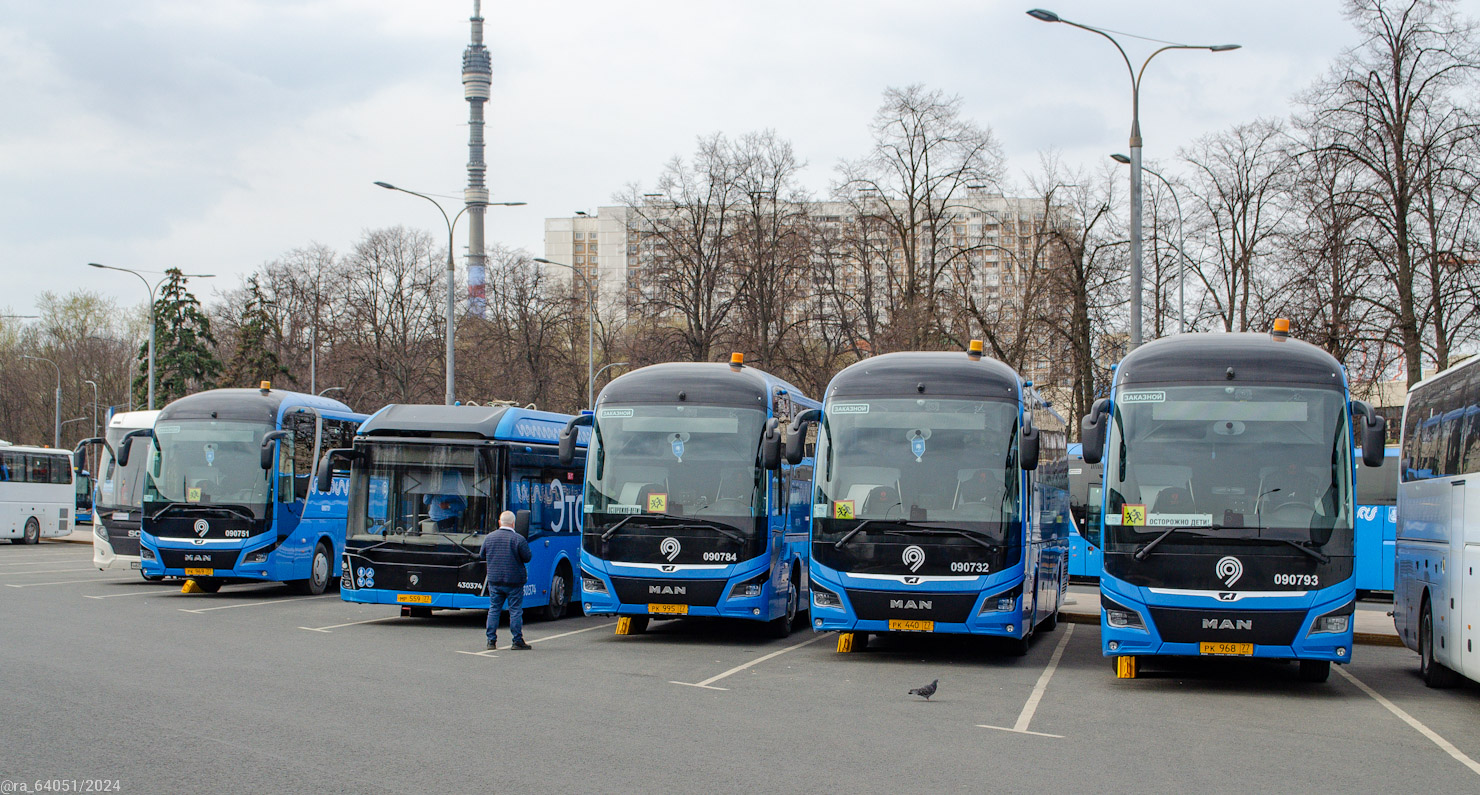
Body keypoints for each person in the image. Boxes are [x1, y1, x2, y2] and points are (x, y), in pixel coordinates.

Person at [480, 510, 532, 650]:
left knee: (494, 609)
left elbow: (481, 555)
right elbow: (527, 557)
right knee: (515, 610)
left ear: (499, 522)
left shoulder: (489, 538)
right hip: (514, 581)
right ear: (513, 523)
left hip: (495, 580)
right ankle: (517, 640)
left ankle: (491, 641)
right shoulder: (518, 539)